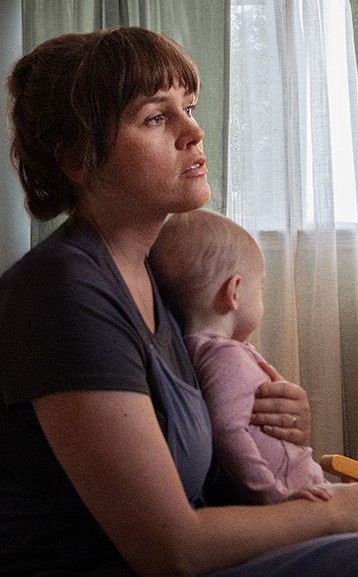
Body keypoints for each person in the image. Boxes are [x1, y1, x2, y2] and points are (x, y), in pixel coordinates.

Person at [0, 27, 358, 576]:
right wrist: (334, 513)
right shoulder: (61, 294)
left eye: (189, 108)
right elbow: (172, 550)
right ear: (77, 158)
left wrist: (268, 418)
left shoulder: (154, 283)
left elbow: (198, 477)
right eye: (155, 117)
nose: (193, 132)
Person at [150, 208, 325, 505]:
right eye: (260, 287)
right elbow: (227, 430)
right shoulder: (224, 356)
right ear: (234, 291)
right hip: (291, 496)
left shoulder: (195, 350)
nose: (261, 300)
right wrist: (271, 495)